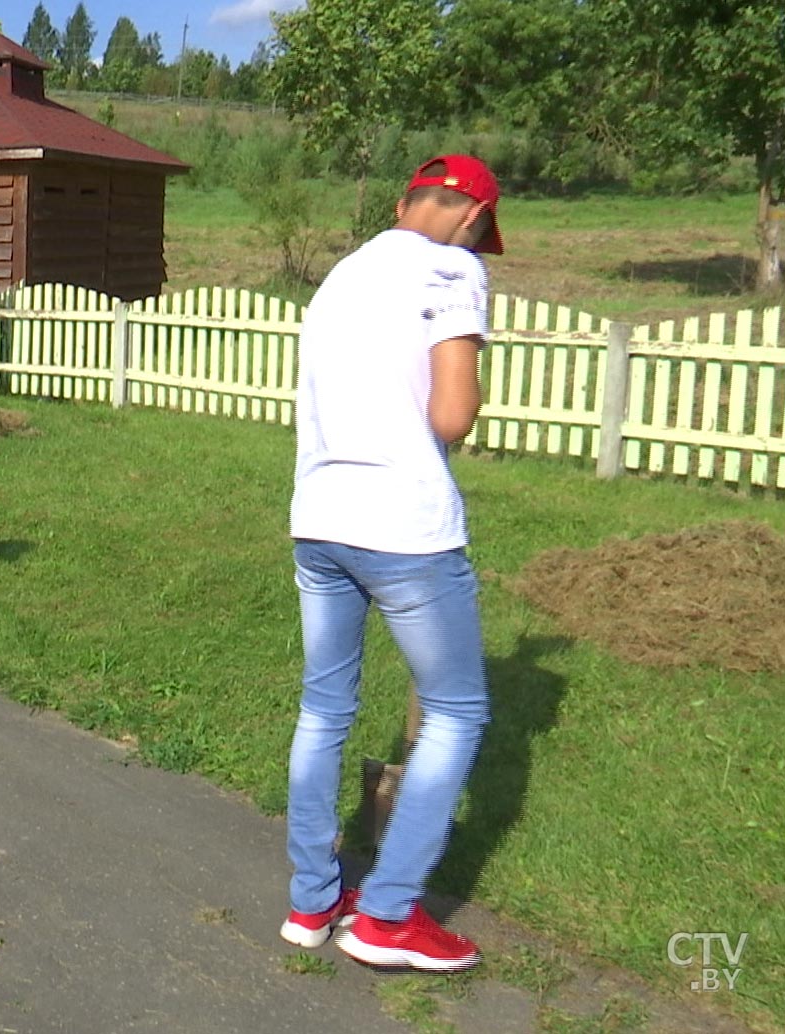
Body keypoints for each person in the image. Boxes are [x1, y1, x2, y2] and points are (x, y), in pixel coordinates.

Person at [280, 155, 500, 973]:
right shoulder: (455, 267)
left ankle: (313, 900)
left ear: (408, 198)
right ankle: (389, 915)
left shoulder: (343, 273)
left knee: (324, 708)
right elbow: (451, 414)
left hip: (319, 517)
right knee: (456, 712)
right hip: (404, 527)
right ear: (472, 217)